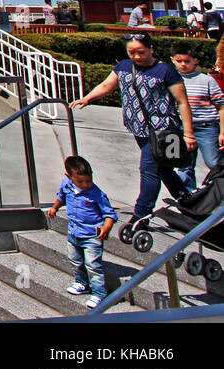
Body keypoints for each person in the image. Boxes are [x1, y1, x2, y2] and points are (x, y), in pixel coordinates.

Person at [70, 33, 196, 228]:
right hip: (139, 128)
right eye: (132, 52)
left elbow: (182, 102)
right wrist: (87, 98)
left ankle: (141, 214)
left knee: (149, 170)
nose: (136, 56)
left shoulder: (165, 71)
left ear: (151, 49)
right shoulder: (123, 67)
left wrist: (188, 134)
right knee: (163, 167)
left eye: (141, 52)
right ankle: (187, 200)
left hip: (163, 129)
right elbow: (107, 86)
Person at [45, 155, 117, 310]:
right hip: (73, 233)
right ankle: (81, 283)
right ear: (69, 177)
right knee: (75, 260)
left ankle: (99, 293)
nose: (85, 185)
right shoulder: (66, 185)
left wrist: (106, 227)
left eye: (88, 180)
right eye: (80, 181)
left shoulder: (97, 194)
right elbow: (61, 197)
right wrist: (55, 207)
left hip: (91, 235)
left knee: (93, 265)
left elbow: (109, 214)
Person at [171, 42, 224, 175]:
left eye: (187, 61)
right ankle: (187, 194)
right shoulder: (170, 80)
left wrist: (222, 132)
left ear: (195, 61)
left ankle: (218, 190)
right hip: (180, 128)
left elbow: (221, 106)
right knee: (183, 166)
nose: (183, 64)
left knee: (213, 162)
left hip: (206, 127)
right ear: (173, 60)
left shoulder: (207, 80)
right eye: (179, 61)